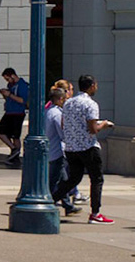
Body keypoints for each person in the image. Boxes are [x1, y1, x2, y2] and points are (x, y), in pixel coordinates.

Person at [51, 75, 113, 224]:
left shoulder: (68, 103)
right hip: (88, 147)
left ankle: (51, 199)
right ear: (91, 86)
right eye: (95, 85)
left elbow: (64, 124)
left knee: (73, 178)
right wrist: (104, 124)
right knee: (96, 178)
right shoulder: (91, 104)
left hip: (71, 148)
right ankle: (95, 213)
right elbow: (93, 129)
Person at [42, 85, 73, 214]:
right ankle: (50, 202)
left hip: (52, 151)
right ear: (60, 99)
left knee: (63, 179)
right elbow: (62, 133)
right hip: (56, 151)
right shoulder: (57, 114)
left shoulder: (47, 111)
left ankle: (67, 205)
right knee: (55, 180)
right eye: (64, 99)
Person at [0, 67, 29, 167]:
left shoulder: (22, 85)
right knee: (0, 131)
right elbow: (10, 97)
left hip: (17, 113)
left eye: (8, 79)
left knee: (15, 135)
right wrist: (5, 95)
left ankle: (15, 153)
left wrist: (9, 94)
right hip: (9, 111)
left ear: (13, 76)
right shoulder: (11, 85)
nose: (7, 81)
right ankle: (14, 149)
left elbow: (22, 100)